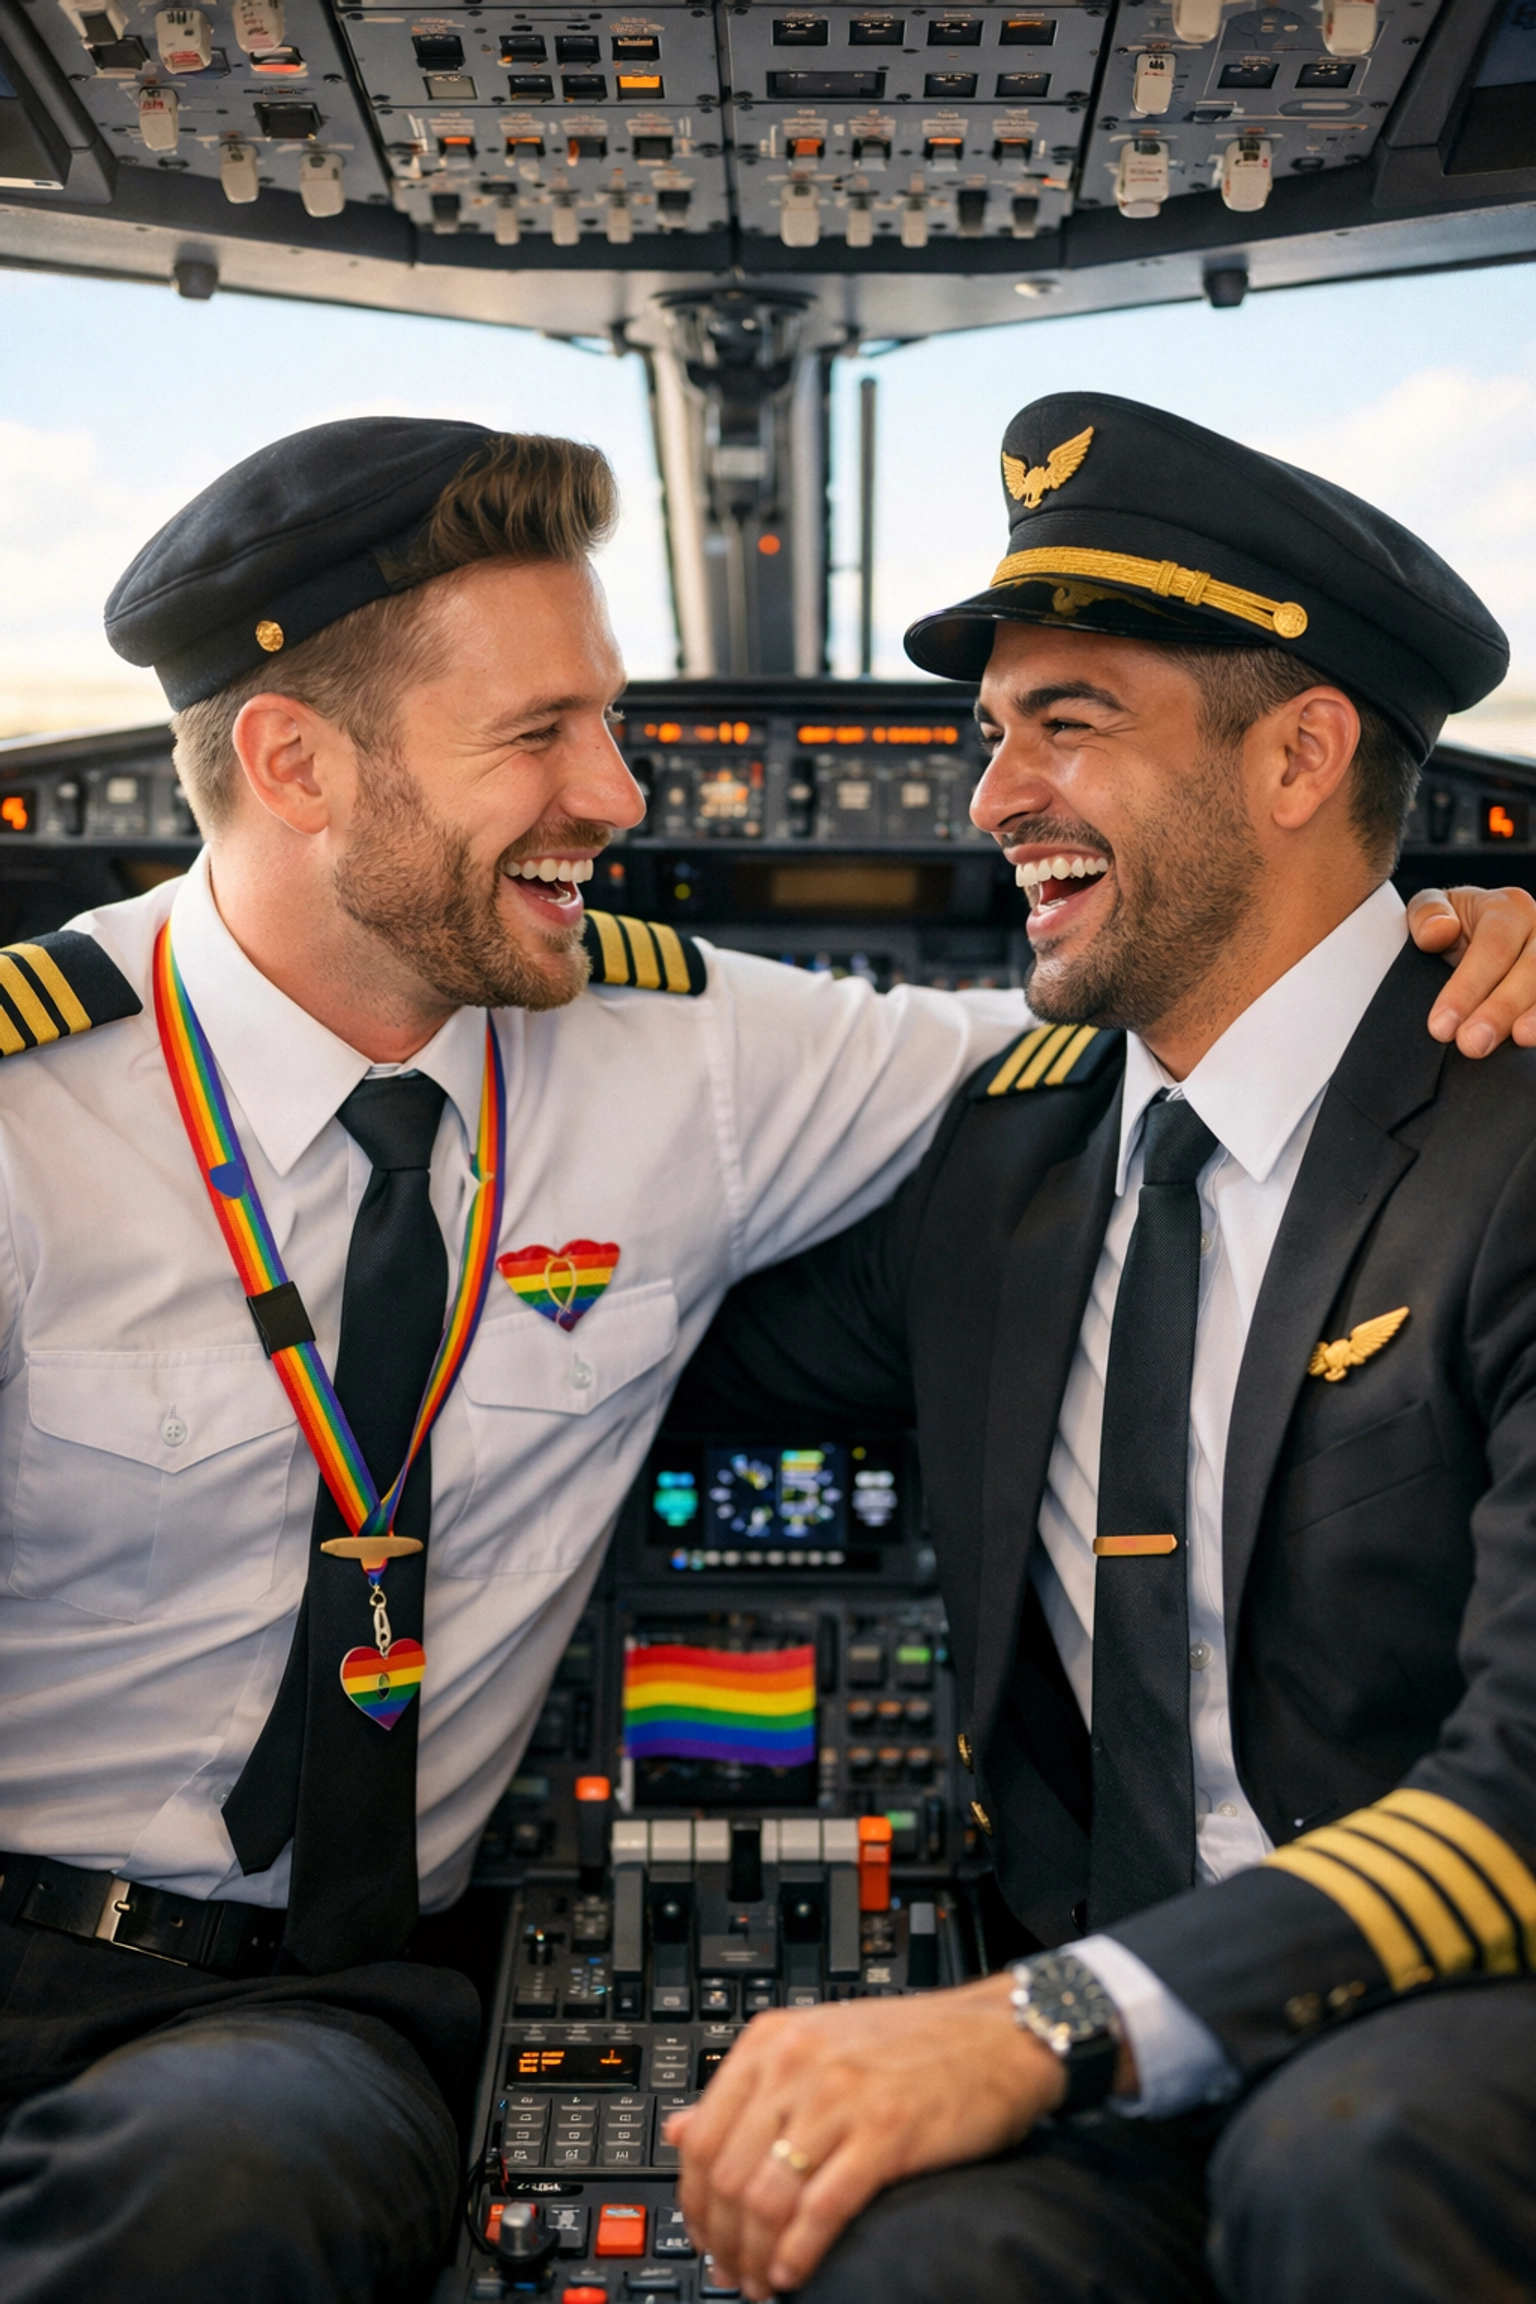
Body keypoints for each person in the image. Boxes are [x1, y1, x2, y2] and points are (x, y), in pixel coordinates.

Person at [0, 413, 1522, 2304]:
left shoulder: (702, 1067)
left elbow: (1199, 1019)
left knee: (219, 2182)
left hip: (300, 2013)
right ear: (292, 761)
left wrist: (1450, 953)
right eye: (538, 734)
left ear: (1303, 753)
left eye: (1073, 723)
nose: (618, 793)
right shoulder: (23, 1110)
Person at [665, 393, 1536, 2304]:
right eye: (996, 737)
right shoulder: (1005, 1169)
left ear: (1305, 753)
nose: (992, 801)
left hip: (1452, 2014)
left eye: (1072, 723)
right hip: (1129, 2043)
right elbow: (631, 1356)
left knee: (1353, 2155)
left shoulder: (1515, 1135)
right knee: (898, 2255)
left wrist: (1029, 2024)